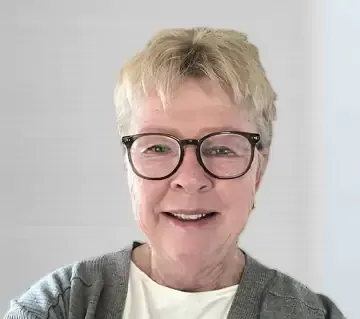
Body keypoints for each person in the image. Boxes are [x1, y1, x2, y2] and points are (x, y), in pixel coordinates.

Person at [4, 27, 346, 319]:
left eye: (222, 149)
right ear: (128, 164)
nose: (190, 178)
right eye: (158, 147)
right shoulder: (59, 306)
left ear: (259, 168)